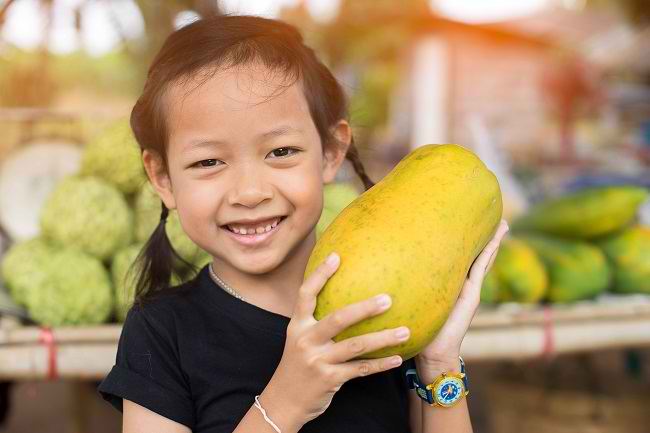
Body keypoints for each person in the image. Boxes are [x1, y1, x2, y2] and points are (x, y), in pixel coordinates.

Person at [97, 13, 509, 433]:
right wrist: (284, 403)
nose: (249, 191)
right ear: (163, 178)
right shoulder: (162, 332)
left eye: (280, 152)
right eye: (208, 161)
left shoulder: (380, 309)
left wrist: (439, 363)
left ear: (331, 151)